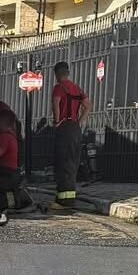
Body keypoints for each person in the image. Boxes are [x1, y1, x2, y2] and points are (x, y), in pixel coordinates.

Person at [51, 60, 89, 211]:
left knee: (63, 163)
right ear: (68, 73)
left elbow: (56, 103)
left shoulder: (59, 88)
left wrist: (57, 121)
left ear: (57, 74)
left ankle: (65, 202)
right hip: (75, 128)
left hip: (64, 128)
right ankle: (65, 198)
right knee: (72, 163)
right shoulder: (77, 89)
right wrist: (80, 121)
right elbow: (88, 105)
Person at [0, 111, 33, 212]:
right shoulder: (11, 136)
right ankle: (15, 197)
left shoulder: (4, 137)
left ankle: (18, 199)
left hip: (5, 176)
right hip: (9, 175)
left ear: (2, 122)